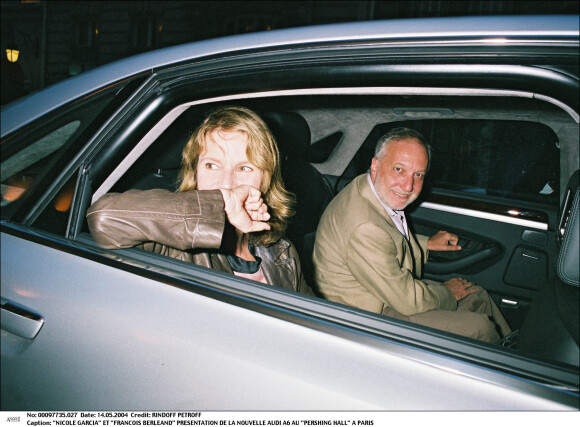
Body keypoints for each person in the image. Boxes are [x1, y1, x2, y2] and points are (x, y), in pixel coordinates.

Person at [87, 105, 313, 296]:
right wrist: (217, 203)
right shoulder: (171, 243)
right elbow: (103, 217)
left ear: (265, 179)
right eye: (212, 165)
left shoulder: (283, 253)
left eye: (244, 168)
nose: (226, 183)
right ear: (194, 172)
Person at [312, 127, 511, 343]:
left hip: (381, 290)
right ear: (375, 165)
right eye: (399, 169)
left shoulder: (368, 186)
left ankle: (510, 348)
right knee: (479, 327)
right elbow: (407, 300)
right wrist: (449, 293)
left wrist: (426, 244)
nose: (408, 186)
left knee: (476, 294)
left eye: (418, 175)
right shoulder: (364, 227)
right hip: (367, 316)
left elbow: (387, 238)